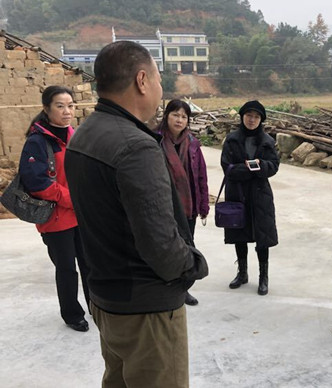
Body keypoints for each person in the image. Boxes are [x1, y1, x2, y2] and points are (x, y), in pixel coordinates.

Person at [65, 41, 208, 387]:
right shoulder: (136, 146)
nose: (160, 88)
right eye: (158, 78)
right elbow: (161, 244)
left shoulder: (84, 134)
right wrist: (192, 266)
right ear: (142, 80)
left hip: (106, 296)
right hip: (146, 310)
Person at [18, 85, 90, 332]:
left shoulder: (74, 135)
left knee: (90, 264)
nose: (67, 111)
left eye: (70, 105)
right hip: (55, 218)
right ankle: (72, 314)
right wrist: (72, 199)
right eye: (60, 106)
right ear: (46, 109)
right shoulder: (37, 142)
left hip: (81, 215)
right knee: (67, 269)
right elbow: (37, 182)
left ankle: (97, 306)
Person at [221, 100, 279, 295]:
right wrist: (249, 170)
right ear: (242, 117)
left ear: (261, 119)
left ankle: (263, 277)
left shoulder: (267, 141)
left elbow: (274, 166)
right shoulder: (232, 139)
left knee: (262, 237)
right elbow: (227, 167)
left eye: (256, 117)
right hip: (237, 193)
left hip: (260, 195)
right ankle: (242, 273)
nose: (252, 120)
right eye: (248, 116)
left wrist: (260, 166)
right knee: (240, 234)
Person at [157, 99, 210, 306]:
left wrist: (203, 205)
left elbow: (201, 176)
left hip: (188, 207)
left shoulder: (193, 143)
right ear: (166, 116)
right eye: (175, 115)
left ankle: (183, 288)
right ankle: (164, 286)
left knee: (187, 247)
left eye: (183, 116)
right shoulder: (154, 140)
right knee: (165, 247)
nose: (179, 120)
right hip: (164, 205)